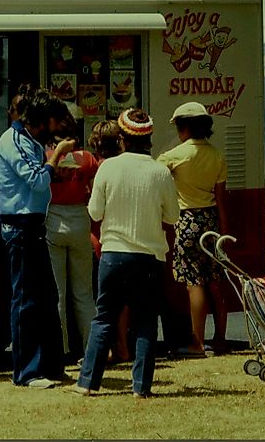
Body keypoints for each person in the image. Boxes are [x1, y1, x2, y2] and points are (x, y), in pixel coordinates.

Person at [71, 108, 180, 398]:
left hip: (114, 253)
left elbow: (95, 211)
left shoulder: (108, 168)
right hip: (150, 256)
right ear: (149, 138)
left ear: (122, 138)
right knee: (145, 321)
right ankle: (141, 387)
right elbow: (172, 216)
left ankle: (87, 382)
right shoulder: (160, 171)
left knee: (104, 317)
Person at [0, 87, 77, 389]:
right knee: (26, 301)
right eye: (57, 120)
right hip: (19, 227)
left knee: (46, 298)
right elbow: (38, 181)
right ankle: (27, 372)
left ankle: (52, 366)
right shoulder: (15, 142)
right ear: (44, 121)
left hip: (33, 226)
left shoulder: (29, 140)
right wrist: (58, 156)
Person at [157, 101, 231, 357]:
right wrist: (224, 231)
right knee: (216, 282)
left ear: (185, 127)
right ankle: (220, 338)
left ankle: (197, 342)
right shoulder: (217, 155)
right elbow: (221, 199)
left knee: (194, 282)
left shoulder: (173, 156)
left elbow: (157, 180)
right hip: (211, 220)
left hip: (187, 219)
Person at [45, 110, 99, 362]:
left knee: (58, 292)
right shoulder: (87, 159)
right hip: (80, 218)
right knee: (84, 292)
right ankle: (91, 347)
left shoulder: (47, 157)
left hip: (53, 217)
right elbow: (95, 188)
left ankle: (61, 348)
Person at [87, 119, 131, 364]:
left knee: (102, 298)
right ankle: (123, 345)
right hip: (125, 237)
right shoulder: (128, 166)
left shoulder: (97, 168)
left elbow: (95, 210)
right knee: (123, 299)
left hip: (100, 237)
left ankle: (110, 349)